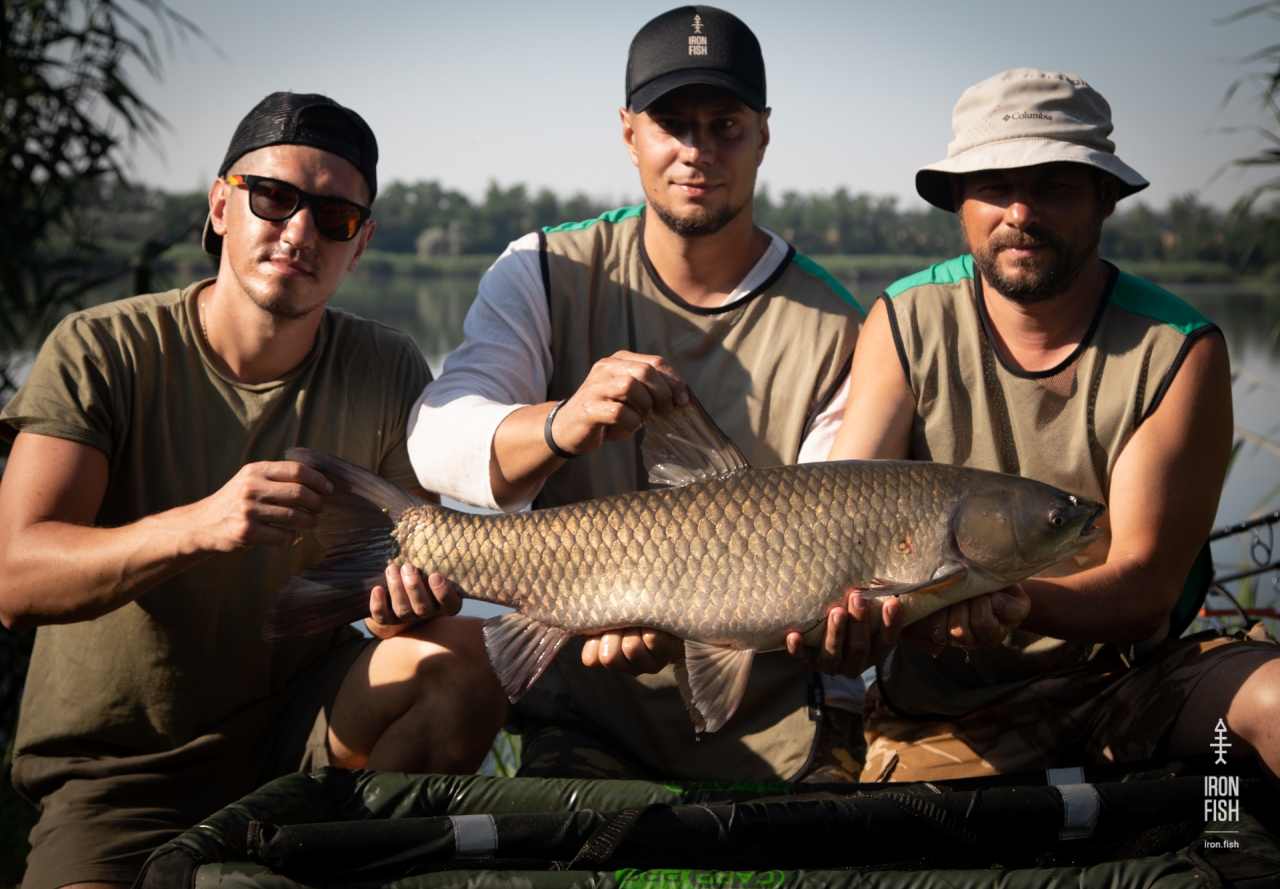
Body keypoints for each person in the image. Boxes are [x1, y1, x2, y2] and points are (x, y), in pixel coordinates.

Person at [0, 92, 506, 889]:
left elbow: (402, 595)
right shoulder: (99, 348)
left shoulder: (388, 365)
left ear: (361, 243)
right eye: (273, 197)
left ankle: (348, 863)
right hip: (119, 781)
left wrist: (401, 604)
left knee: (465, 657)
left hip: (301, 738)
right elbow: (16, 579)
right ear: (220, 205)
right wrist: (199, 524)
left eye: (335, 217)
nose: (299, 232)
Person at [399, 6, 885, 783]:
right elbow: (436, 439)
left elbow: (838, 556)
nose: (698, 150)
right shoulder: (544, 268)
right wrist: (560, 424)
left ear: (764, 133)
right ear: (629, 133)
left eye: (725, 125)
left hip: (781, 723)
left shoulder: (840, 326)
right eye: (672, 124)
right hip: (586, 709)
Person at [828, 68, 1280, 783]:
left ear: (1106, 196)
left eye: (1054, 186)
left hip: (1129, 684)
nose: (1020, 211)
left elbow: (1146, 590)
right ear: (958, 201)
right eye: (994, 186)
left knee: (1276, 701)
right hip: (943, 713)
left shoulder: (1177, 347)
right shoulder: (903, 321)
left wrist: (1007, 602)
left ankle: (1228, 828)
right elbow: (837, 515)